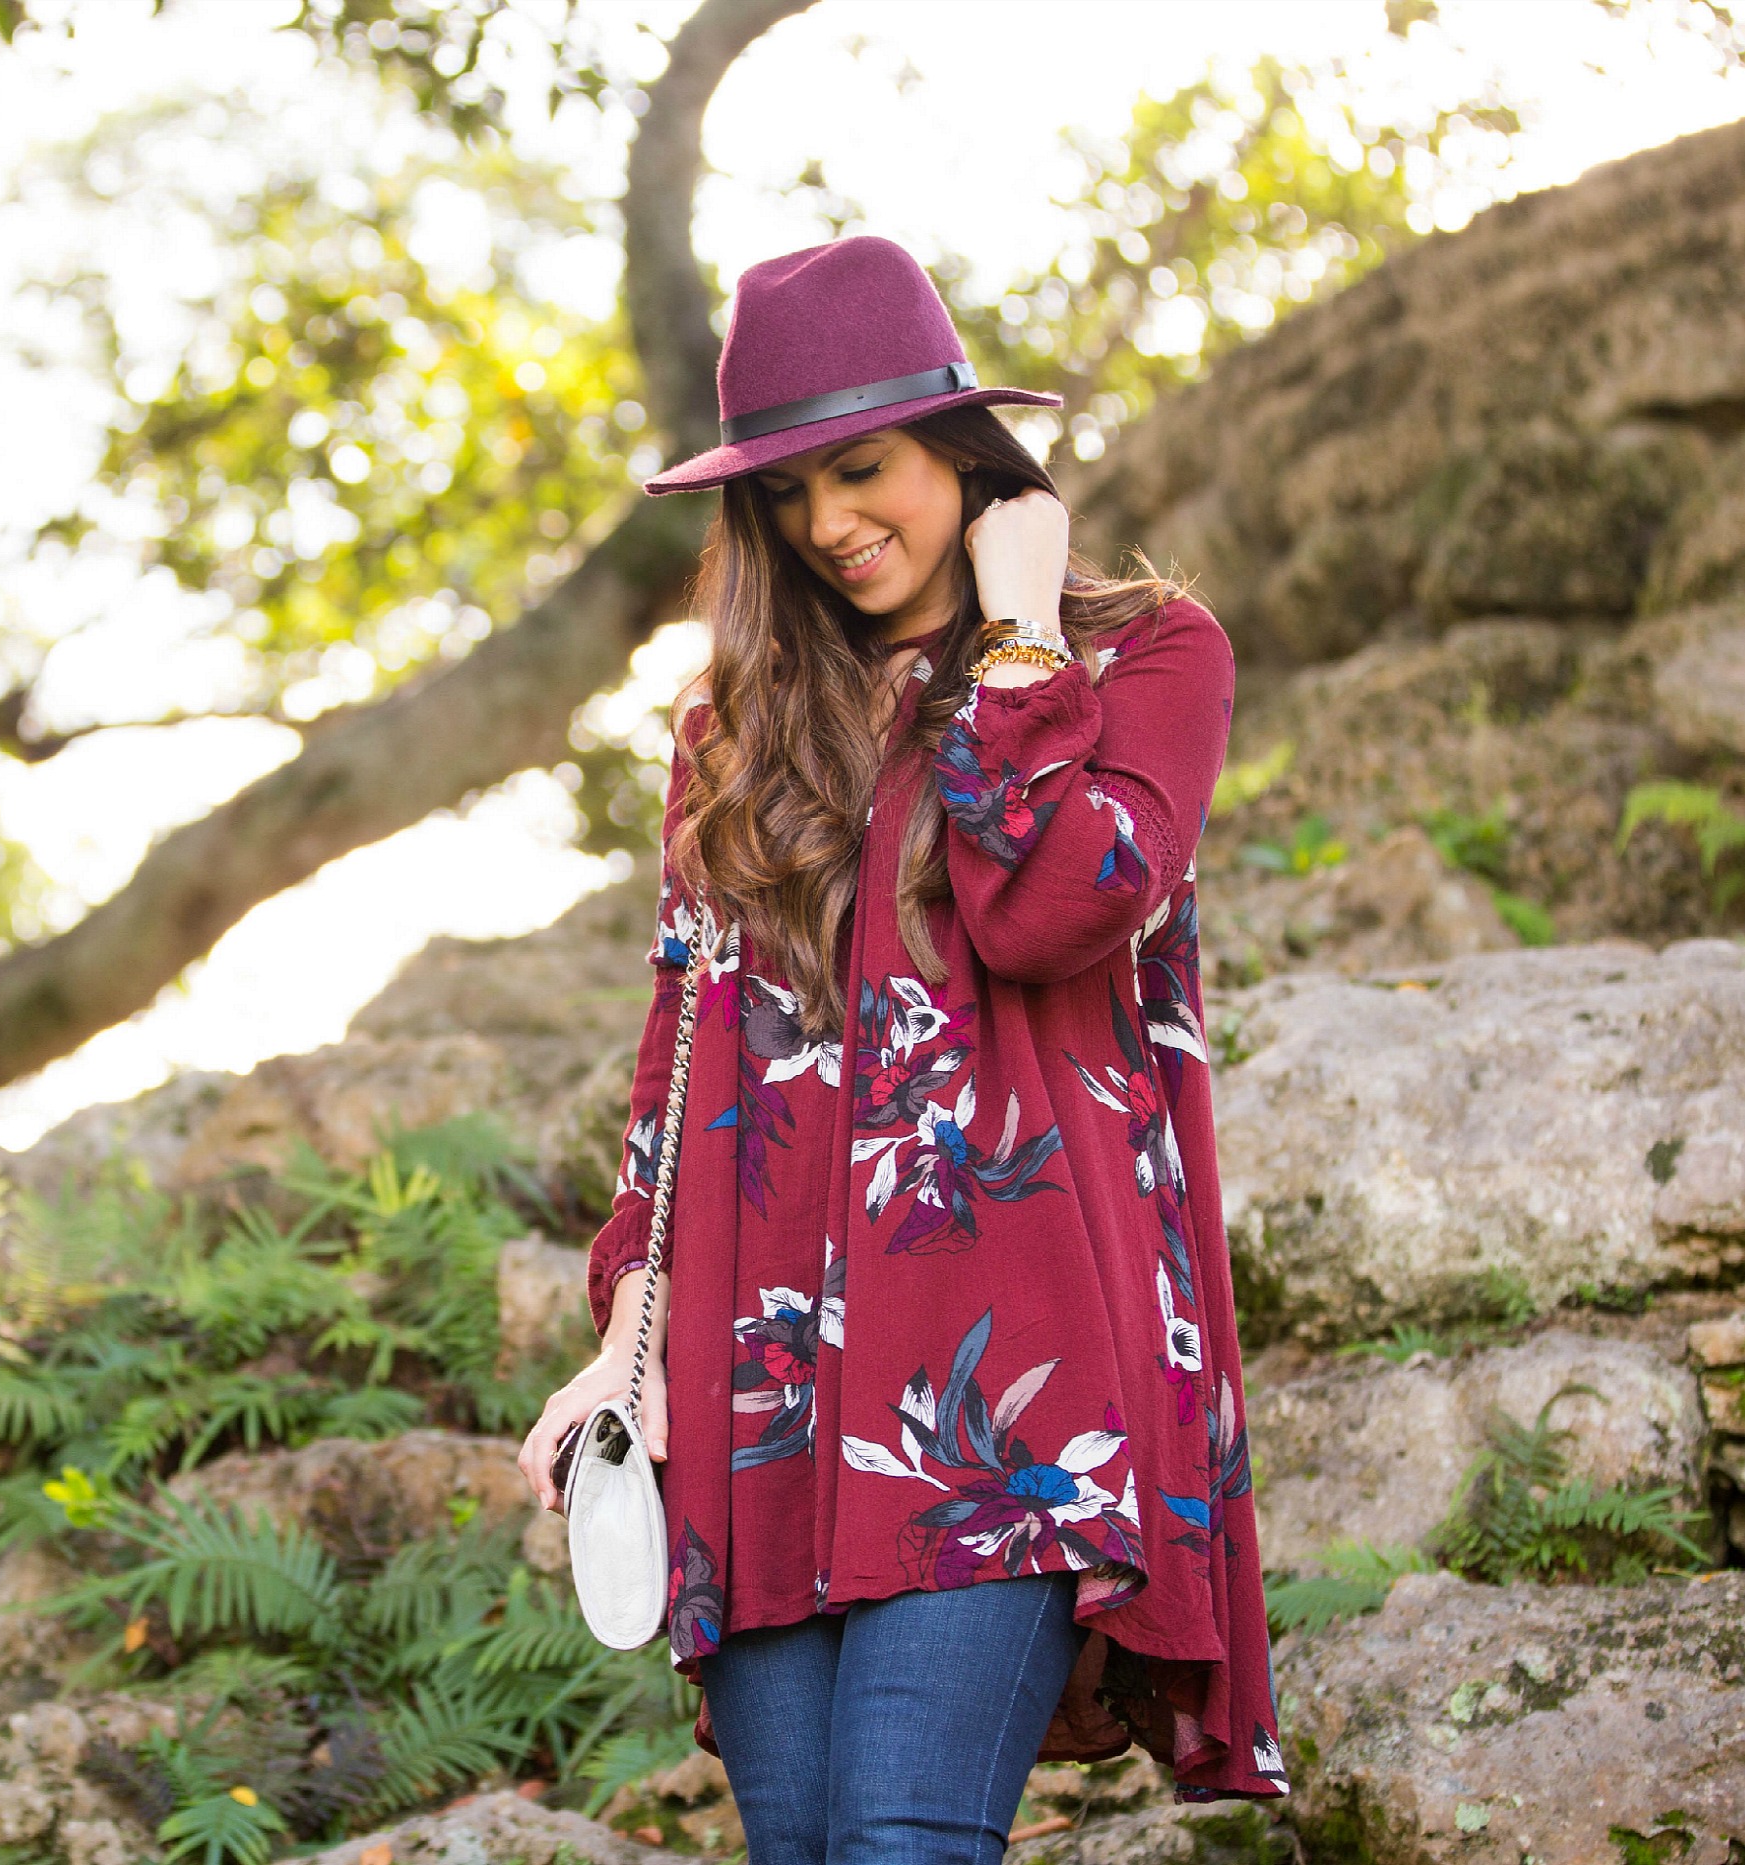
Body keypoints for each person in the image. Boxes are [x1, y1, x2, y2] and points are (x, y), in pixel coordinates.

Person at [516, 235, 1288, 1863]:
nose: (826, 524)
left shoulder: (1145, 657)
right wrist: (627, 1343)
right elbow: (683, 1047)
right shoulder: (733, 731)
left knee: (902, 1840)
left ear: (957, 443)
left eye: (859, 469)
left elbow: (1055, 911)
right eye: (786, 493)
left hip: (1009, 1364)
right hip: (760, 1379)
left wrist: (1014, 635)